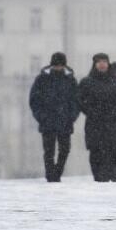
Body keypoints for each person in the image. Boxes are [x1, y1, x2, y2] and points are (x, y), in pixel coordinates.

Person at [78, 53, 116, 182]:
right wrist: (91, 111)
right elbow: (79, 100)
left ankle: (115, 179)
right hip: (95, 126)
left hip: (115, 125)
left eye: (104, 61)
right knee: (97, 156)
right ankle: (100, 180)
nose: (102, 64)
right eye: (99, 61)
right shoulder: (87, 82)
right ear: (94, 64)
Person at [28, 52, 80, 182]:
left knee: (65, 150)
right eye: (56, 65)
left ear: (64, 65)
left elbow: (76, 101)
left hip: (65, 121)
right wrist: (41, 116)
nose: (58, 68)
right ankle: (51, 176)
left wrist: (71, 117)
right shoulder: (42, 79)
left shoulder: (70, 80)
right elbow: (34, 100)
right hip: (47, 121)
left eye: (60, 65)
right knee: (49, 152)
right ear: (51, 65)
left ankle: (57, 173)